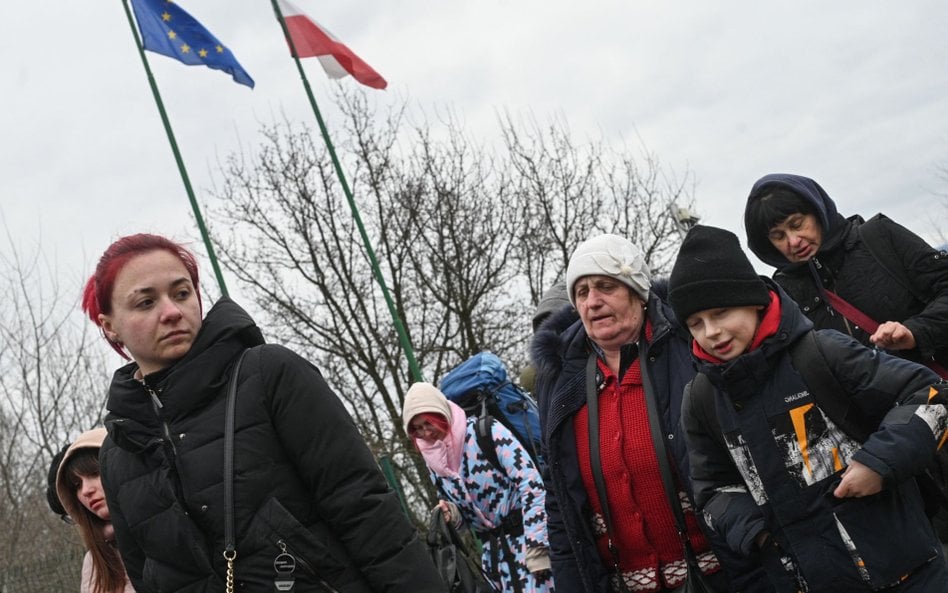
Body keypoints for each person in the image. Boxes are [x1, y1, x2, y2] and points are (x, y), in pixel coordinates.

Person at [81, 233, 444, 593]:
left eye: (182, 293)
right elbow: (149, 579)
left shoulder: (269, 375)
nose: (173, 312)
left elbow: (364, 509)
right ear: (110, 324)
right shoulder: (119, 453)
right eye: (146, 302)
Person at [669, 224, 948, 592]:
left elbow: (929, 396)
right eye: (695, 323)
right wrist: (755, 533)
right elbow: (712, 487)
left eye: (721, 313)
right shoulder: (700, 398)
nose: (711, 332)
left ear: (753, 301)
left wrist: (879, 464)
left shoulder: (822, 352)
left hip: (908, 574)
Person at [531, 233, 765, 593]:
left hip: (726, 574)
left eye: (606, 286)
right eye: (582, 293)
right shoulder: (560, 375)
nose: (593, 302)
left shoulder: (689, 343)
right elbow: (560, 501)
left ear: (637, 291)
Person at [743, 172, 948, 368]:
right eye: (779, 236)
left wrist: (915, 332)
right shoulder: (784, 296)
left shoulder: (879, 237)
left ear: (818, 211)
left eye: (797, 224)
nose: (794, 241)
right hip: (884, 404)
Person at [402, 381, 554, 593]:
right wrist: (452, 515)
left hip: (530, 545)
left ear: (441, 414)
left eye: (427, 423)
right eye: (417, 429)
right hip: (495, 564)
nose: (425, 433)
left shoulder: (486, 432)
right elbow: (466, 519)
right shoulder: (434, 463)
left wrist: (538, 547)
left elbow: (531, 484)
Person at [55, 427, 136, 593]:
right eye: (77, 485)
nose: (86, 491)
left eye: (94, 473)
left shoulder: (169, 528)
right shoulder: (94, 562)